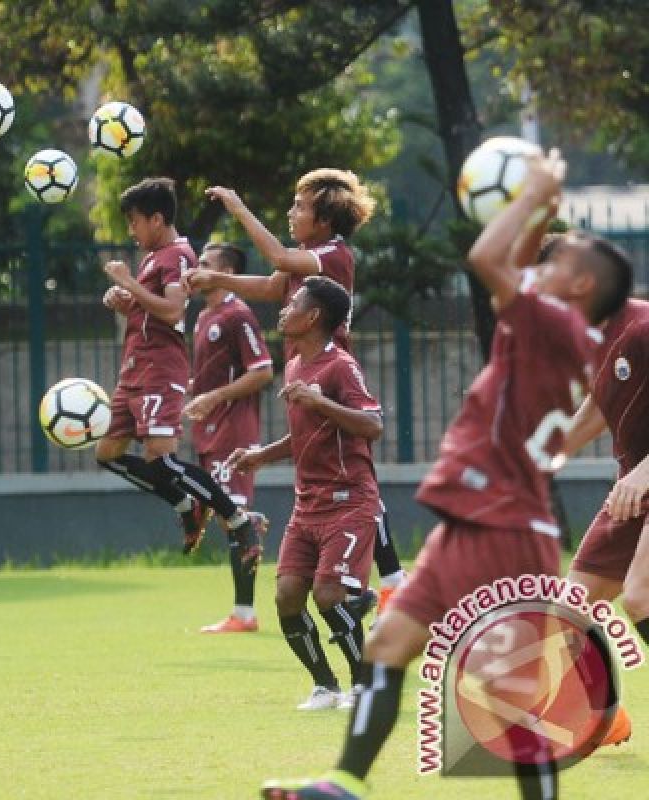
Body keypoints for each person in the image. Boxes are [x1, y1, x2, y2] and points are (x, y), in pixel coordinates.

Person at [261, 149, 633, 800]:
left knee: (502, 688)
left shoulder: (553, 324)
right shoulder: (544, 323)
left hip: (505, 527)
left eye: (562, 265)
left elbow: (487, 256)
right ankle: (345, 783)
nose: (539, 267)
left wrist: (535, 195)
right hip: (469, 524)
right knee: (387, 648)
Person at [183, 170, 406, 612]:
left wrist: (237, 206)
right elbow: (271, 286)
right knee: (343, 478)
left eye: (300, 207)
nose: (291, 212)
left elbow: (278, 260)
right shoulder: (307, 255)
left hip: (333, 377)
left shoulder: (332, 254)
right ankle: (389, 585)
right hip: (306, 373)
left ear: (323, 220)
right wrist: (218, 281)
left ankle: (395, 584)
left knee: (356, 484)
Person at [96, 177, 266, 569]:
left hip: (159, 369)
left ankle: (238, 521)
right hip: (134, 368)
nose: (132, 230)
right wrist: (125, 300)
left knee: (161, 459)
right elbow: (154, 312)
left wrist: (126, 283)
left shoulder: (178, 255)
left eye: (135, 221)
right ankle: (186, 505)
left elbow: (173, 311)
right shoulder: (152, 257)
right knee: (107, 454)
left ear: (157, 219)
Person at [230, 276, 382, 710]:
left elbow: (372, 425)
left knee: (328, 596)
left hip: (348, 501)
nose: (283, 309)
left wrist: (321, 403)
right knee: (286, 596)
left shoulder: (341, 366)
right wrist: (261, 455)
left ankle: (364, 684)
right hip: (307, 504)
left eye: (293, 302)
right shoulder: (296, 364)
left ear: (313, 316)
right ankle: (325, 686)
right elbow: (306, 435)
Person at [560, 247, 649, 748]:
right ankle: (604, 717)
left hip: (643, 479)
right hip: (631, 486)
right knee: (571, 610)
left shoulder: (643, 326)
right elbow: (598, 406)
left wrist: (645, 470)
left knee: (641, 596)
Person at [183, 243, 274, 633]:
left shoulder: (238, 315)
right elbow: (207, 378)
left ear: (226, 270)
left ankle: (245, 614)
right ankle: (252, 523)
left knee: (233, 517)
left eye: (203, 264)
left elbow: (263, 371)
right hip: (207, 430)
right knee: (231, 516)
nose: (195, 269)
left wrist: (215, 397)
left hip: (233, 430)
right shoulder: (204, 316)